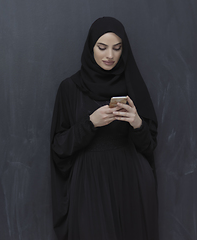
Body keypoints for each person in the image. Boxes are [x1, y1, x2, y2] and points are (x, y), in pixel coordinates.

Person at [50, 17, 159, 240]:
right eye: (102, 47)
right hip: (90, 183)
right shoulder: (70, 89)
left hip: (131, 182)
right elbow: (59, 146)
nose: (110, 55)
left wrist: (137, 123)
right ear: (91, 47)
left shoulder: (132, 85)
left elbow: (149, 147)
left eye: (117, 48)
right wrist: (90, 123)